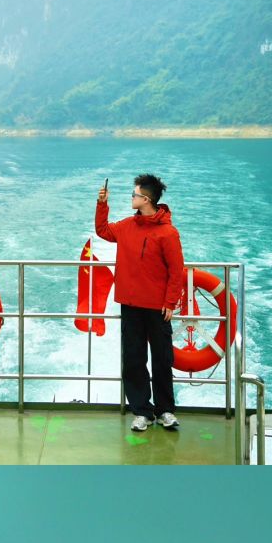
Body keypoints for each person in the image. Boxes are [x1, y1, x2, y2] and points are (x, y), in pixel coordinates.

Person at [95, 173, 185, 431]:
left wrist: (170, 302)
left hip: (158, 308)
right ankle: (141, 412)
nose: (131, 198)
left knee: (161, 359)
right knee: (134, 359)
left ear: (145, 200)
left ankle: (165, 410)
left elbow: (176, 270)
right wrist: (102, 204)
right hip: (131, 305)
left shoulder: (168, 233)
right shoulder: (126, 226)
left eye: (134, 195)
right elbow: (103, 230)